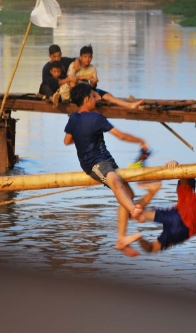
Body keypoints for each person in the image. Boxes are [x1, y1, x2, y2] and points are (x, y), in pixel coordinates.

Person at [63, 84, 150, 257]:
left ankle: (121, 239)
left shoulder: (73, 117)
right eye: (93, 96)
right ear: (87, 99)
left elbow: (67, 140)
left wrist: (83, 138)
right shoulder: (96, 118)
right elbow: (121, 136)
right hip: (95, 163)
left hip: (105, 160)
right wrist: (141, 140)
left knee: (128, 194)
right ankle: (134, 211)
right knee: (116, 183)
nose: (96, 99)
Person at [132, 161, 196, 253]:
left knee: (134, 213)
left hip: (175, 217)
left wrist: (175, 163)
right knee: (152, 248)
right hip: (182, 229)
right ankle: (138, 238)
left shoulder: (186, 191)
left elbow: (184, 172)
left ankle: (152, 192)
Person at [67, 45, 144, 109]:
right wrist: (85, 77)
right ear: (80, 57)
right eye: (85, 57)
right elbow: (70, 79)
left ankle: (130, 105)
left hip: (89, 91)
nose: (87, 59)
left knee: (109, 96)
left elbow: (92, 86)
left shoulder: (92, 68)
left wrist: (94, 83)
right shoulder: (74, 65)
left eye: (89, 57)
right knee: (72, 83)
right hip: (78, 92)